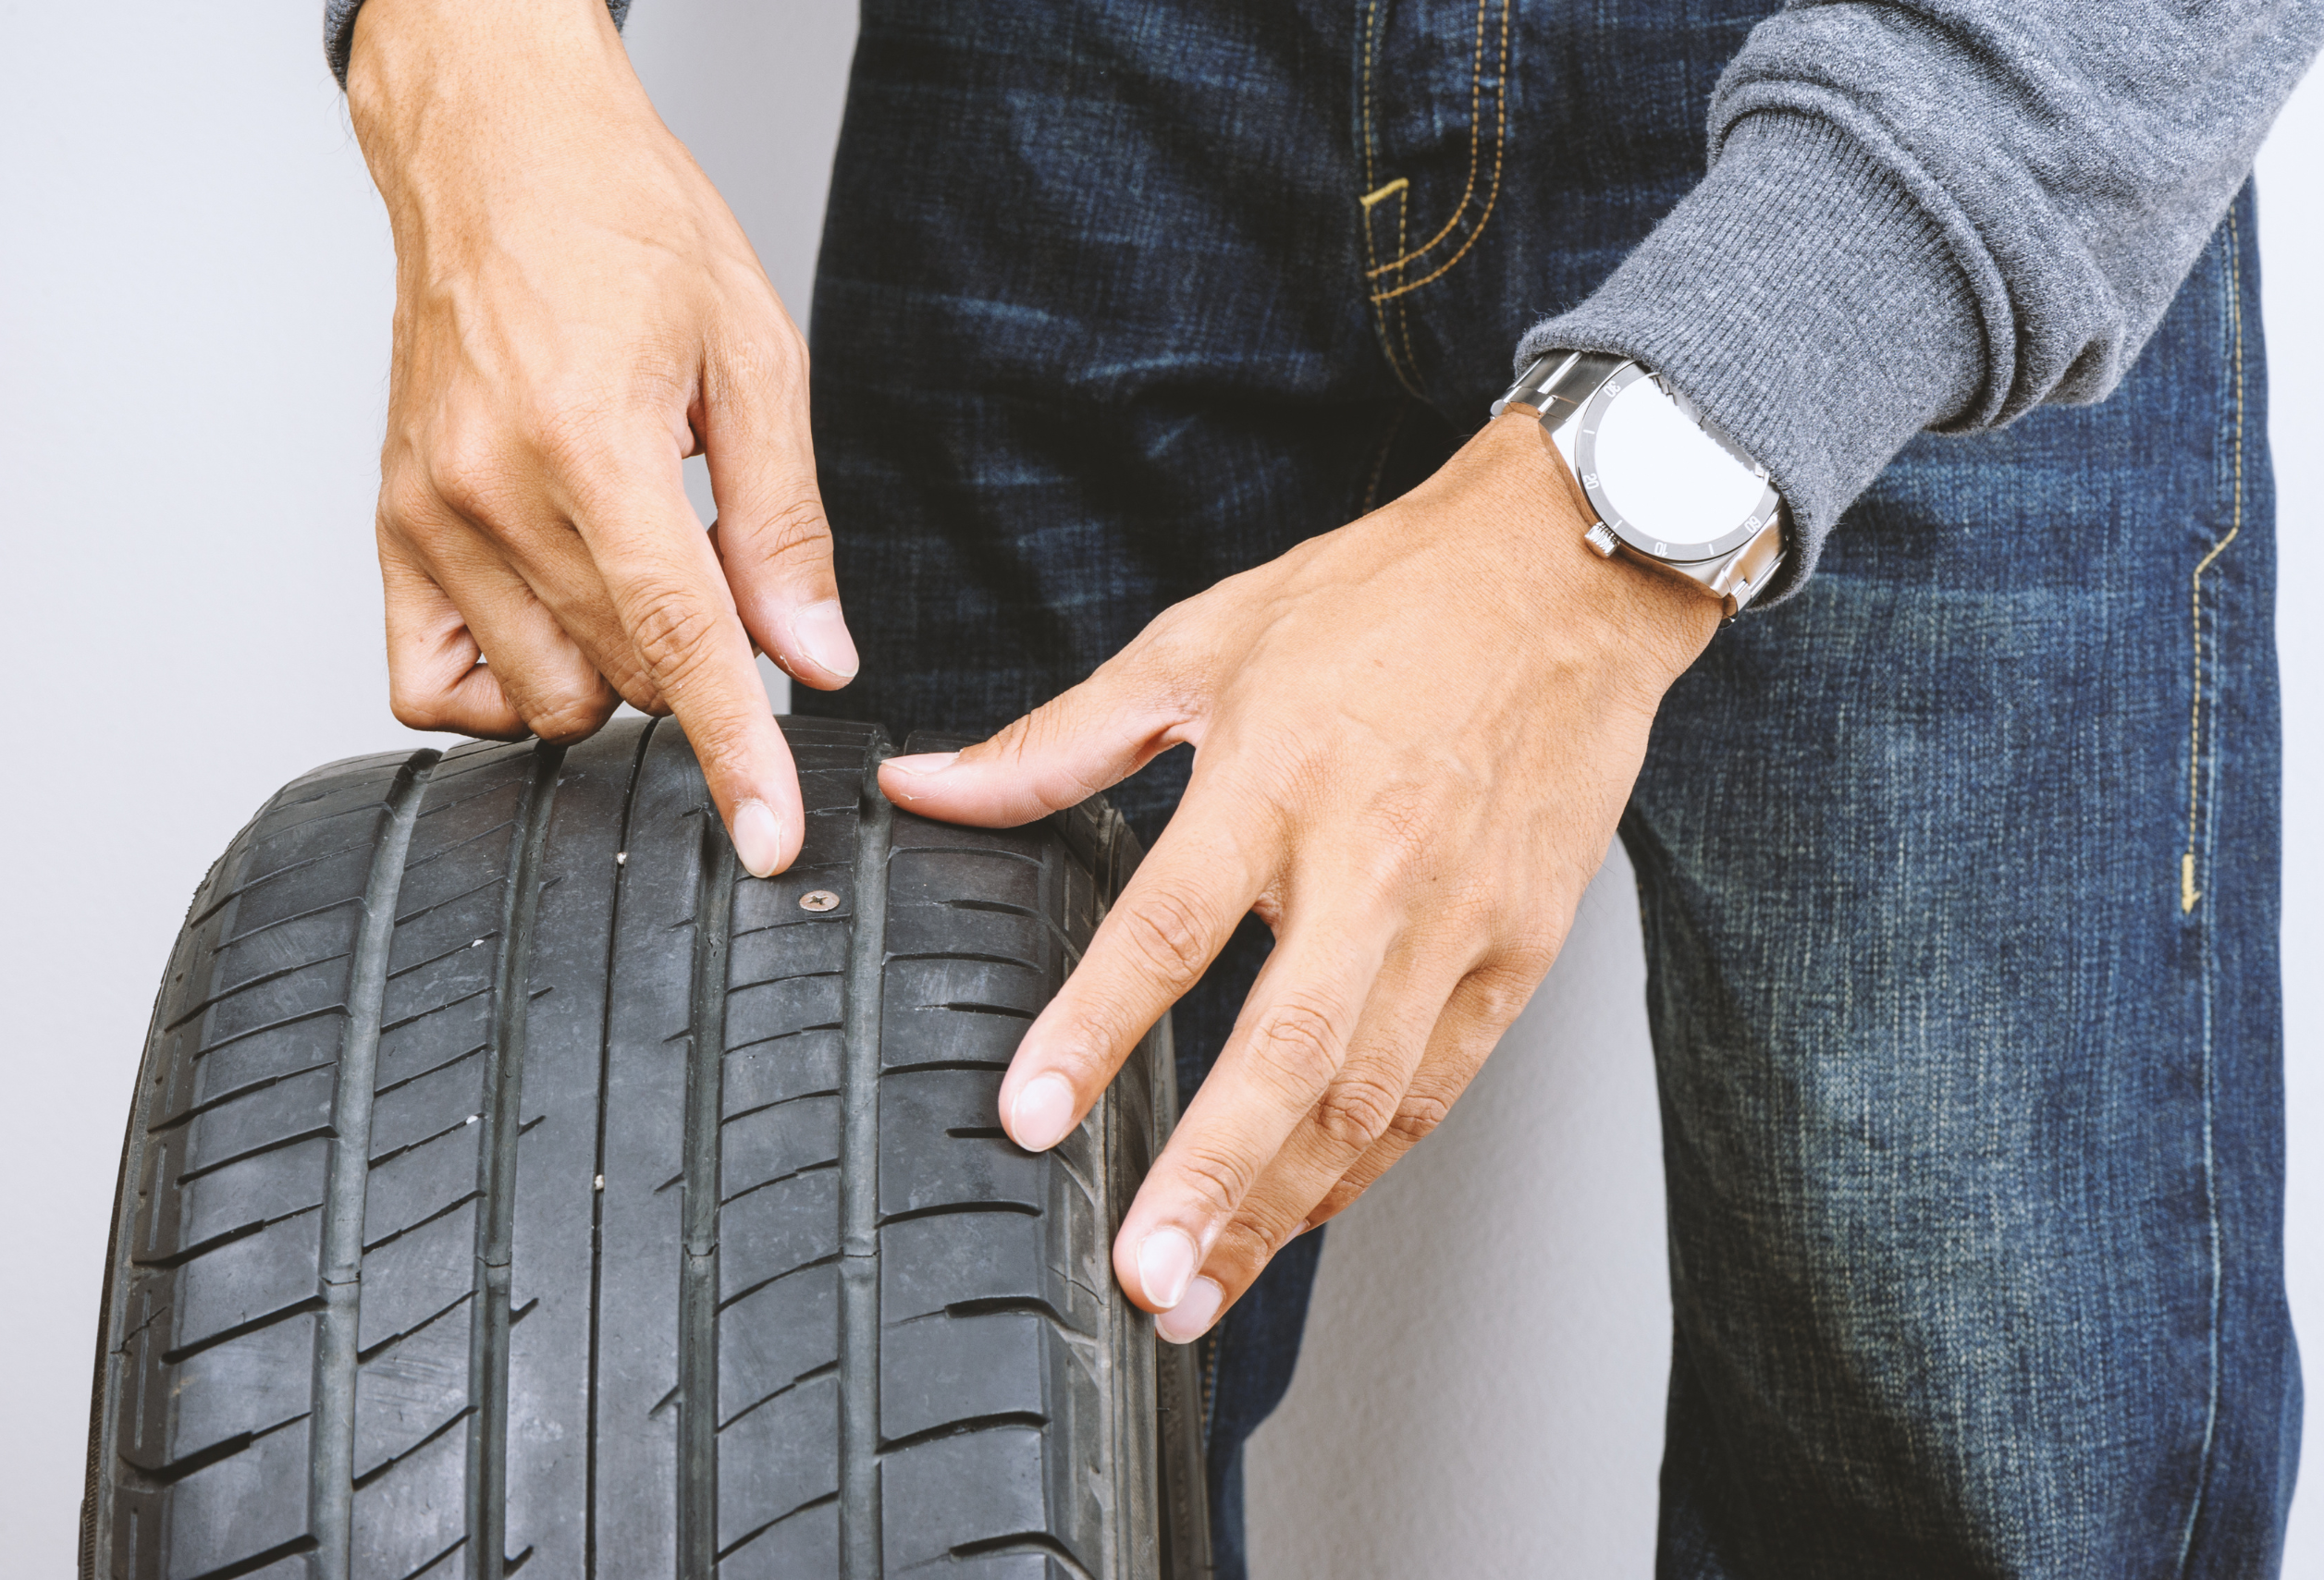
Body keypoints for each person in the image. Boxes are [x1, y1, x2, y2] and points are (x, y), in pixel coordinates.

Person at [326, 0, 2320, 1570]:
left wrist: (1635, 499)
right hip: (1058, 71)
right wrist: (469, 49)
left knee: (1977, 1475)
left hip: (1929, 56)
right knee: (882, 1394)